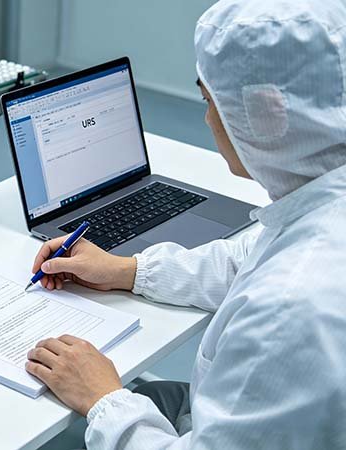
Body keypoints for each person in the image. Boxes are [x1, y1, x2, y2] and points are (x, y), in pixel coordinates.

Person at [24, 0, 346, 448]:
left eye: (208, 100)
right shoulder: (325, 202)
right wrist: (128, 271)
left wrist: (102, 396)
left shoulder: (290, 313)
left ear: (267, 114)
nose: (207, 118)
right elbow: (252, 255)